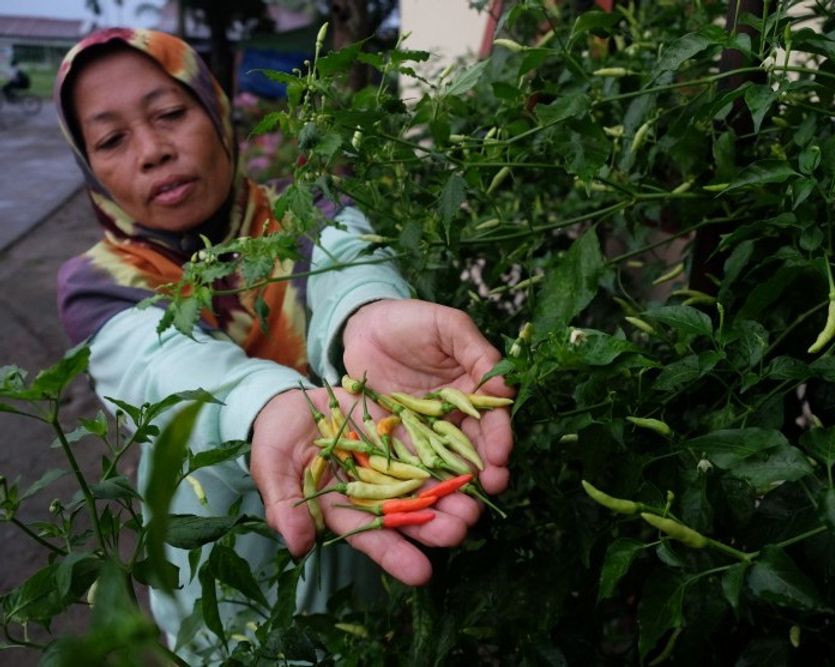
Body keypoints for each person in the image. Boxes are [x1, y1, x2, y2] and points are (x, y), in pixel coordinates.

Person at [53, 28, 513, 655]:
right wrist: (266, 407)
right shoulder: (97, 286)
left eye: (169, 113)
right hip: (221, 613)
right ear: (88, 164)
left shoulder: (309, 210)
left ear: (216, 110)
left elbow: (349, 262)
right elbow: (169, 368)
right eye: (111, 139)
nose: (153, 151)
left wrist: (368, 312)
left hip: (363, 587)